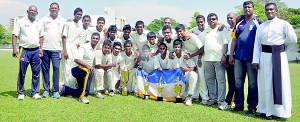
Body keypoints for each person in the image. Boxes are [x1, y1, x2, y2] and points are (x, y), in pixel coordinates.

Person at [252, 3, 297, 119]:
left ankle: (279, 112)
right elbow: (257, 44)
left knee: (279, 84)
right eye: (267, 10)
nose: (269, 11)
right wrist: (255, 60)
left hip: (279, 57)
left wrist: (282, 51)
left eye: (271, 9)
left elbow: (292, 40)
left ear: (276, 10)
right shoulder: (261, 26)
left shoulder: (284, 24)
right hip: (264, 57)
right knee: (264, 84)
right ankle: (264, 110)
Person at [229, 1, 263, 114]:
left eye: (249, 7)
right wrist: (231, 55)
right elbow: (234, 40)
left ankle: (252, 107)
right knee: (238, 83)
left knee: (252, 84)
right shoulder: (239, 23)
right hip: (238, 58)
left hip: (252, 59)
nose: (247, 9)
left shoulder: (258, 22)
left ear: (253, 8)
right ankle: (238, 105)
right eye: (245, 7)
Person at [12, 5, 44, 100]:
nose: (32, 12)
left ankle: (35, 92)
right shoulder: (21, 21)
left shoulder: (39, 22)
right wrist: (14, 49)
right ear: (27, 11)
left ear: (37, 13)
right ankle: (21, 92)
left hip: (35, 50)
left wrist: (41, 48)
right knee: (22, 72)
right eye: (31, 10)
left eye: (34, 11)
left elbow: (41, 36)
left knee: (36, 73)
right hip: (24, 50)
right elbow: (14, 35)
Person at [60, 32, 100, 104]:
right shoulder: (84, 46)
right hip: (76, 68)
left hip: (83, 70)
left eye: (97, 38)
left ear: (99, 40)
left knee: (80, 91)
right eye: (93, 38)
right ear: (90, 39)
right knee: (89, 71)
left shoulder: (95, 49)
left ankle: (64, 89)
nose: (95, 40)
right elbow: (77, 59)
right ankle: (83, 97)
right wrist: (88, 66)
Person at [200, 13, 228, 110]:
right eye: (210, 19)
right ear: (207, 21)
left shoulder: (222, 28)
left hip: (219, 59)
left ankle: (221, 100)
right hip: (207, 59)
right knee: (209, 80)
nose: (212, 21)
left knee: (221, 80)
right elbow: (201, 44)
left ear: (217, 19)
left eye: (214, 19)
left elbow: (225, 43)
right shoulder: (205, 31)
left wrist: (224, 55)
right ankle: (213, 99)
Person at [174, 24, 205, 103]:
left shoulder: (192, 37)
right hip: (190, 58)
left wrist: (196, 57)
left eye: (180, 31)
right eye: (177, 32)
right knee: (194, 75)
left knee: (201, 77)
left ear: (184, 30)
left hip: (200, 57)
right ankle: (195, 96)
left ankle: (205, 98)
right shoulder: (181, 39)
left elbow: (202, 49)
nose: (179, 33)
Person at [41, 2, 66, 99]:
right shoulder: (44, 19)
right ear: (49, 9)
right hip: (45, 49)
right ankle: (46, 90)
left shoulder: (63, 21)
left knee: (56, 69)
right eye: (52, 8)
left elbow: (64, 36)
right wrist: (41, 48)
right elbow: (41, 35)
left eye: (56, 8)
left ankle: (55, 90)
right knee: (45, 70)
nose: (54, 9)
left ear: (59, 10)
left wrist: (64, 49)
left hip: (56, 50)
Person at [167, 39, 198, 106]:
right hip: (175, 79)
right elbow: (168, 69)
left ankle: (189, 97)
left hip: (184, 78)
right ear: (173, 47)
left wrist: (187, 69)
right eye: (175, 47)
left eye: (179, 47)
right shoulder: (171, 56)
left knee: (193, 74)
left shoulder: (185, 55)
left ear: (181, 47)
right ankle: (178, 95)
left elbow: (194, 68)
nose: (177, 49)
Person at [61, 8, 86, 88]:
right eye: (78, 14)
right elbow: (64, 38)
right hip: (67, 48)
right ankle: (67, 87)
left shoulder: (80, 25)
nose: (79, 16)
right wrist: (65, 51)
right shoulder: (68, 24)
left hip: (75, 50)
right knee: (66, 69)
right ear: (74, 14)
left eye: (80, 15)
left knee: (73, 68)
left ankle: (73, 87)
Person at [189, 15, 209, 103]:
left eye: (201, 21)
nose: (200, 23)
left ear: (204, 21)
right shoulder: (193, 30)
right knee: (197, 76)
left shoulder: (209, 29)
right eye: (198, 22)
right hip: (197, 56)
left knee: (205, 77)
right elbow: (185, 33)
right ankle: (196, 96)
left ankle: (205, 97)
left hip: (207, 56)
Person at [224, 12, 236, 107]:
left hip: (237, 57)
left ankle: (229, 101)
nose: (229, 20)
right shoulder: (227, 29)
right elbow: (226, 43)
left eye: (231, 18)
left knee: (235, 81)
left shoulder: (240, 27)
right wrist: (225, 55)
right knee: (230, 80)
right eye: (228, 18)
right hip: (228, 56)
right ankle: (231, 101)